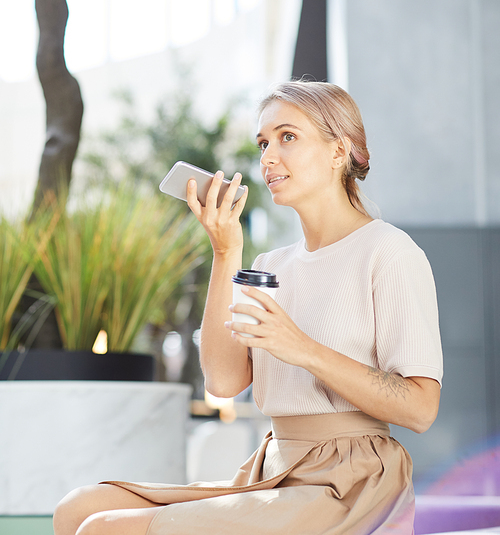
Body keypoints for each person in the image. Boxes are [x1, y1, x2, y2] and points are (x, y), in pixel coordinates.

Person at [53, 80, 443, 535]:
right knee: (77, 508)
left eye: (287, 137)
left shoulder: (389, 252)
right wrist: (225, 251)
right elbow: (223, 381)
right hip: (275, 467)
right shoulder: (270, 265)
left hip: (353, 482)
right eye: (263, 142)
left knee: (104, 529)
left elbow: (420, 408)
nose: (268, 157)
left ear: (339, 151)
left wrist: (302, 348)